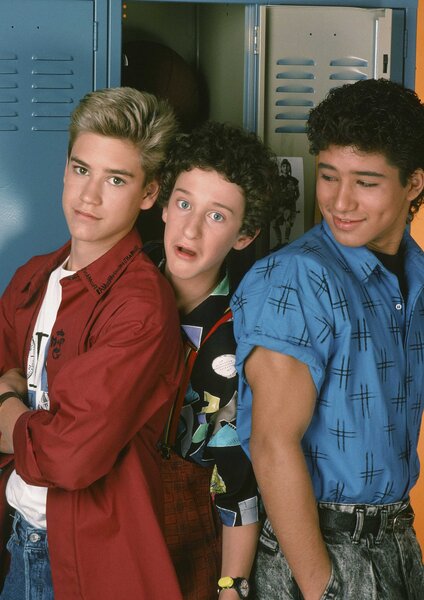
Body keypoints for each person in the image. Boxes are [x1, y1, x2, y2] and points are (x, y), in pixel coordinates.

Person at [230, 78, 424, 599]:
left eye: (365, 182)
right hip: (318, 552)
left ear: (414, 184)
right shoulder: (296, 279)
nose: (339, 201)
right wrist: (323, 586)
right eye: (329, 176)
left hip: (396, 544)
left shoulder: (417, 276)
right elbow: (272, 446)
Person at [0, 87, 184, 599]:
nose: (89, 196)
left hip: (83, 562)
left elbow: (70, 458)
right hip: (20, 538)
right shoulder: (32, 278)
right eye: (81, 169)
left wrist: (6, 407)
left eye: (116, 179)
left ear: (149, 194)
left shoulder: (140, 305)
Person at [144, 121, 280, 599]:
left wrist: (231, 587)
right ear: (162, 203)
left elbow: (238, 487)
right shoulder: (121, 282)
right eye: (183, 203)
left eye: (217, 216)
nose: (191, 228)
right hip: (98, 527)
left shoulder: (239, 340)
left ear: (244, 236)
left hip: (189, 544)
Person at [272, 158, 300, 247]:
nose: (285, 168)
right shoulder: (277, 180)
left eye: (287, 166)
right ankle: (279, 242)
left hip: (290, 204)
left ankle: (286, 241)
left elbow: (298, 194)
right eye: (283, 166)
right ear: (281, 168)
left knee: (288, 223)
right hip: (279, 205)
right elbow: (274, 193)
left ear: (289, 168)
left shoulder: (294, 180)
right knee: (274, 224)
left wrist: (292, 202)